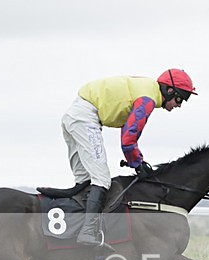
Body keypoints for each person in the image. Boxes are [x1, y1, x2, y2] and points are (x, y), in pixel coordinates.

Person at [61, 69, 197, 245]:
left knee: (84, 181)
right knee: (101, 180)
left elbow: (127, 132)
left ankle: (75, 234)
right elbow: (128, 139)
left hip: (74, 115)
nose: (179, 105)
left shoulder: (147, 90)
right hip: (85, 118)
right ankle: (88, 233)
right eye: (180, 99)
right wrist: (138, 164)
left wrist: (137, 160)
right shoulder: (147, 99)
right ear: (169, 90)